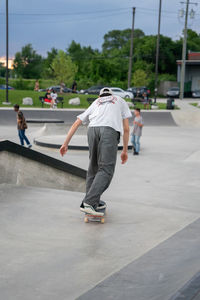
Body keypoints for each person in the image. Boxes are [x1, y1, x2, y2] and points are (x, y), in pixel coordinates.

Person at [60, 87, 132, 216]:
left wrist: (65, 143)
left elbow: (77, 122)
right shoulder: (120, 100)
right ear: (111, 95)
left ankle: (92, 202)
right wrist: (125, 150)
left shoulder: (96, 102)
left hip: (92, 130)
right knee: (106, 169)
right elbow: (126, 128)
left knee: (93, 167)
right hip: (109, 130)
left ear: (100, 96)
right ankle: (88, 202)